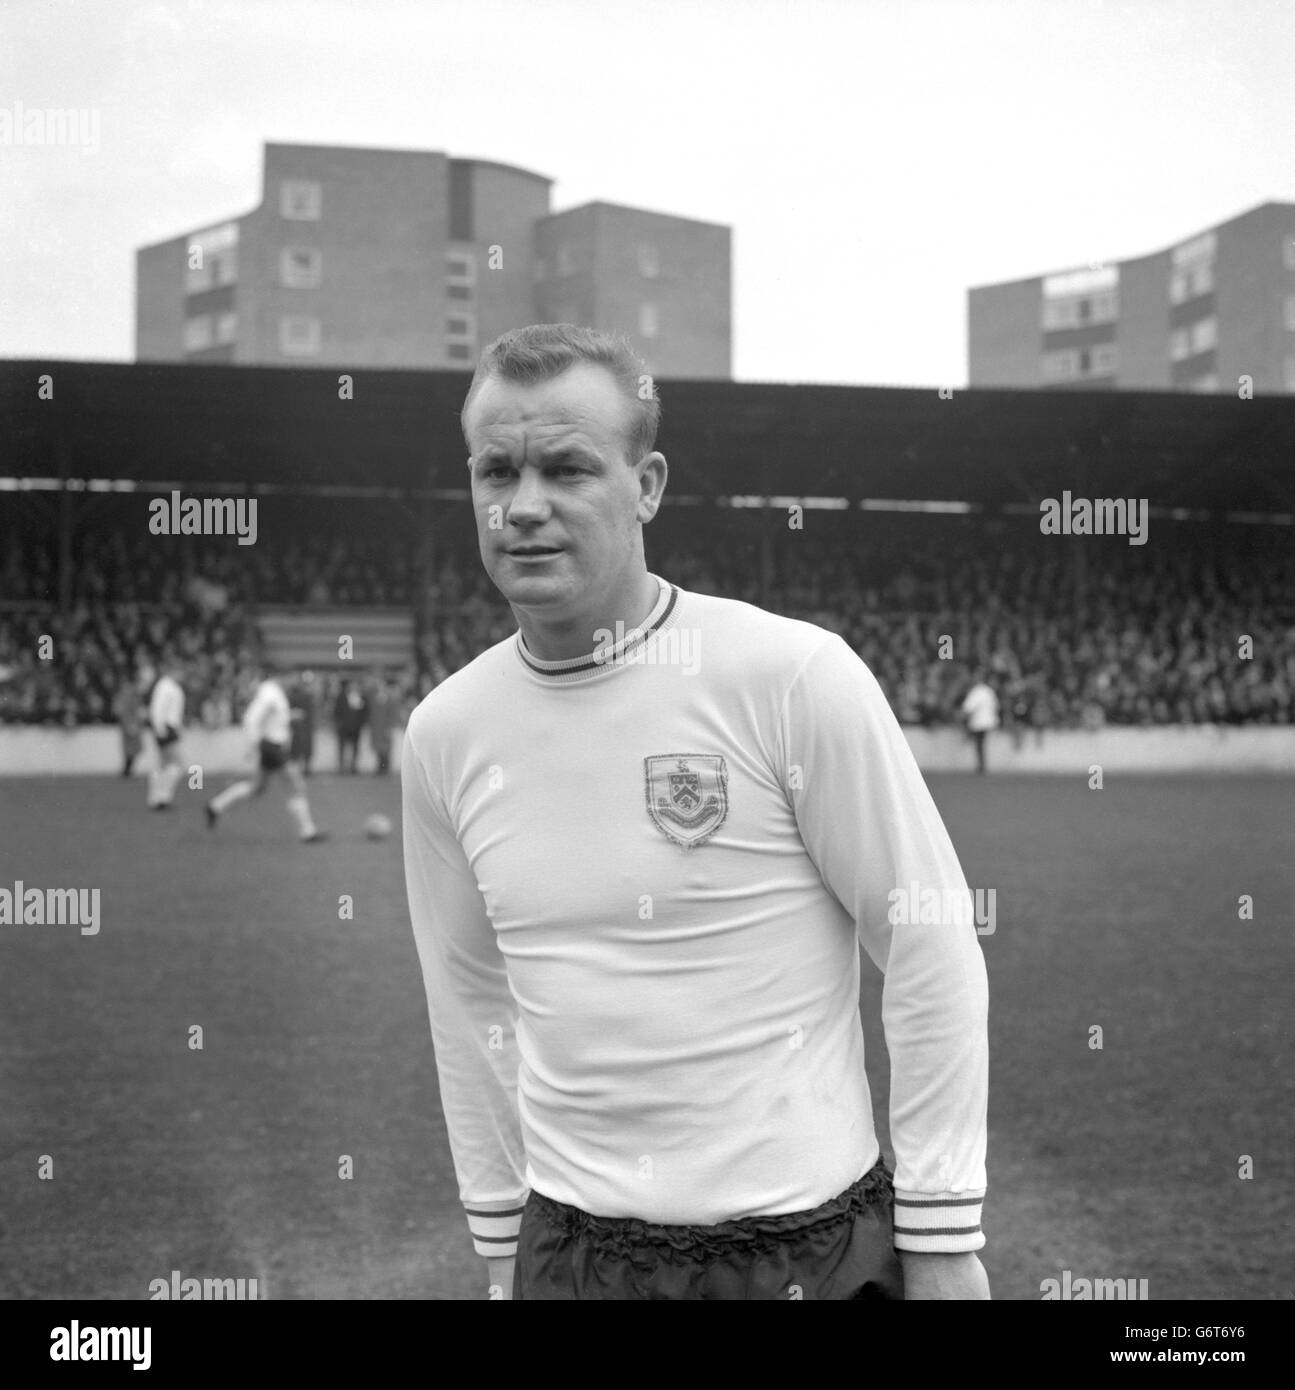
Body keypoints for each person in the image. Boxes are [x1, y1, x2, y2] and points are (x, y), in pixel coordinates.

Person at [401, 325, 989, 1302]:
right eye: (494, 469)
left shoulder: (791, 677)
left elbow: (926, 942)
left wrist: (940, 1237)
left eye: (567, 467)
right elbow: (467, 1002)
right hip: (570, 1258)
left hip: (804, 1256)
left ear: (648, 484)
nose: (523, 505)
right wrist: (503, 1248)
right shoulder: (445, 734)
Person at [205, 662, 326, 842]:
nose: (294, 682)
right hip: (272, 747)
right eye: (292, 678)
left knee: (257, 788)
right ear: (282, 676)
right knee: (296, 785)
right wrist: (254, 745)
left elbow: (271, 718)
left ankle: (215, 806)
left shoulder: (272, 692)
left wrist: (290, 716)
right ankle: (308, 831)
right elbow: (251, 718)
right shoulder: (269, 693)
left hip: (271, 746)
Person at [145, 656, 185, 810]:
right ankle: (162, 796)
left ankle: (157, 798)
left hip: (168, 727)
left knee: (163, 764)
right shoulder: (165, 686)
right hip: (165, 728)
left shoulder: (172, 686)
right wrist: (159, 728)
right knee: (177, 764)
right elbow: (157, 709)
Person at [959, 668, 1000, 775]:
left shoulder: (976, 691)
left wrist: (961, 718)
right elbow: (996, 706)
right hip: (989, 722)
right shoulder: (989, 691)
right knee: (981, 744)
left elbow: (968, 707)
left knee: (979, 745)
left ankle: (981, 767)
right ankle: (982, 766)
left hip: (978, 723)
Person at [334, 678, 367, 774]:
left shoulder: (362, 697)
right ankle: (341, 767)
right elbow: (337, 711)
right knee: (342, 748)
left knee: (355, 748)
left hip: (356, 728)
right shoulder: (341, 696)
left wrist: (362, 723)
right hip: (343, 727)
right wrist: (339, 723)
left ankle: (353, 767)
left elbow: (365, 712)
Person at [114, 670, 143, 777]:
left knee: (132, 749)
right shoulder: (127, 695)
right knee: (131, 749)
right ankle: (127, 770)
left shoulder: (129, 694)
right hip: (130, 725)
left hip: (131, 725)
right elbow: (122, 711)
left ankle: (127, 770)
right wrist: (130, 724)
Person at [289, 670, 318, 776]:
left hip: (305, 726)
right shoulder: (300, 695)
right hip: (300, 726)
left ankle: (305, 769)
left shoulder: (308, 695)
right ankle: (300, 769)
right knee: (298, 749)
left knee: (304, 750)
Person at [366, 673, 396, 775]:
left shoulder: (389, 699)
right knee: (378, 748)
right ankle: (379, 767)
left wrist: (390, 726)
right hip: (377, 727)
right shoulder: (373, 698)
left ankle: (385, 767)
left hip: (385, 727)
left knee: (386, 748)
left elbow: (392, 714)